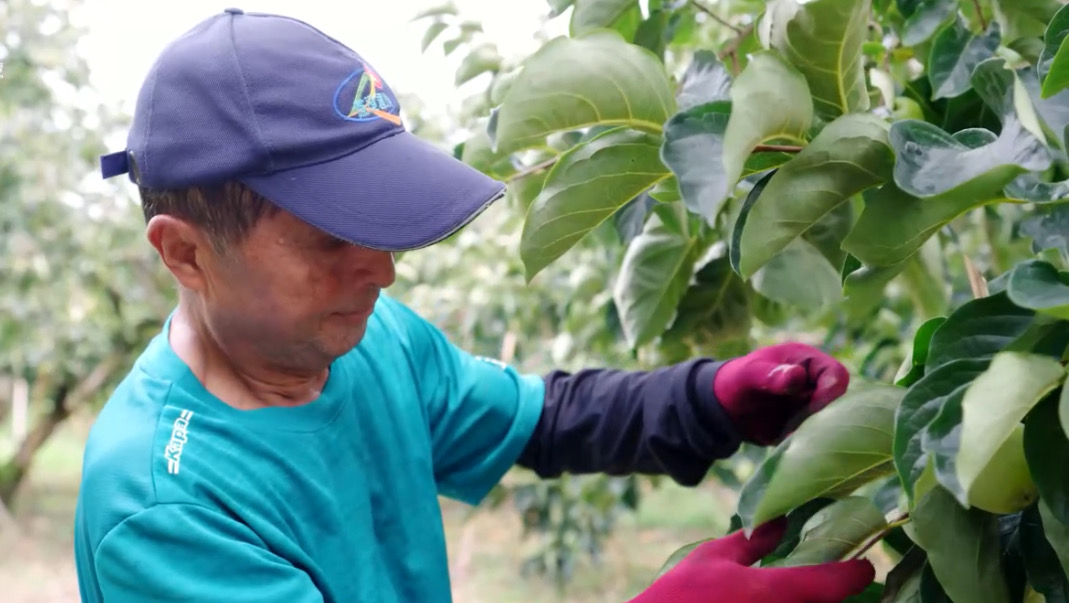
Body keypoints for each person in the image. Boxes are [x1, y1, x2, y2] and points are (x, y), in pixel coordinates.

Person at [73, 8, 876, 603]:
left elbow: (541, 419)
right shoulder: (163, 507)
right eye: (329, 238)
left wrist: (706, 400)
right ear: (184, 252)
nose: (382, 271)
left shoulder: (367, 338)